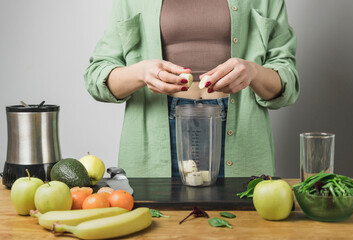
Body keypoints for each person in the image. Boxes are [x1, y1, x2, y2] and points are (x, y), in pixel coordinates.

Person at [84, 0, 299, 178]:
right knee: (157, 226)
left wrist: (253, 72)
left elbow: (287, 82)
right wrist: (141, 72)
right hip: (155, 140)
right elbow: (96, 76)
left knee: (244, 226)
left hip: (242, 135)